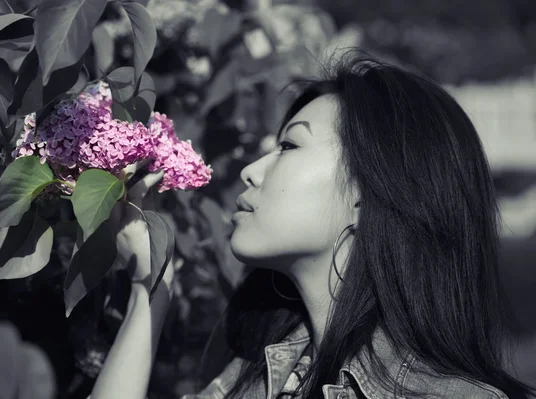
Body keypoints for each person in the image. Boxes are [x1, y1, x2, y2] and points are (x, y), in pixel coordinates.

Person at [89, 51, 536, 398]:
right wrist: (150, 288)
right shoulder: (254, 380)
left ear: (368, 190)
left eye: (288, 146)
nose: (251, 170)